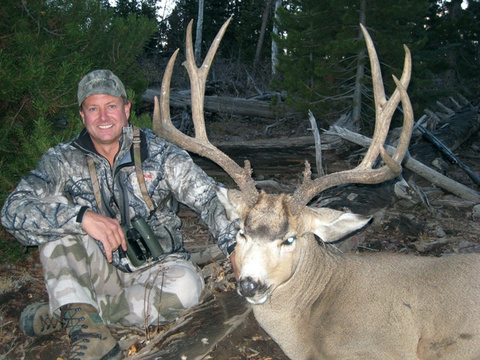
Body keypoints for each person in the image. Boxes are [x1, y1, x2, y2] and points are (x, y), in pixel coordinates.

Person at [1, 69, 238, 360]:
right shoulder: (61, 160)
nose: (103, 118)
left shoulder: (161, 154)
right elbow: (12, 210)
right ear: (82, 115)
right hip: (99, 268)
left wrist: (235, 247)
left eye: (111, 106)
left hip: (159, 268)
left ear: (126, 109)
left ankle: (74, 311)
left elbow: (210, 199)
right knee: (57, 223)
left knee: (188, 290)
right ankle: (91, 335)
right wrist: (81, 218)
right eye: (93, 109)